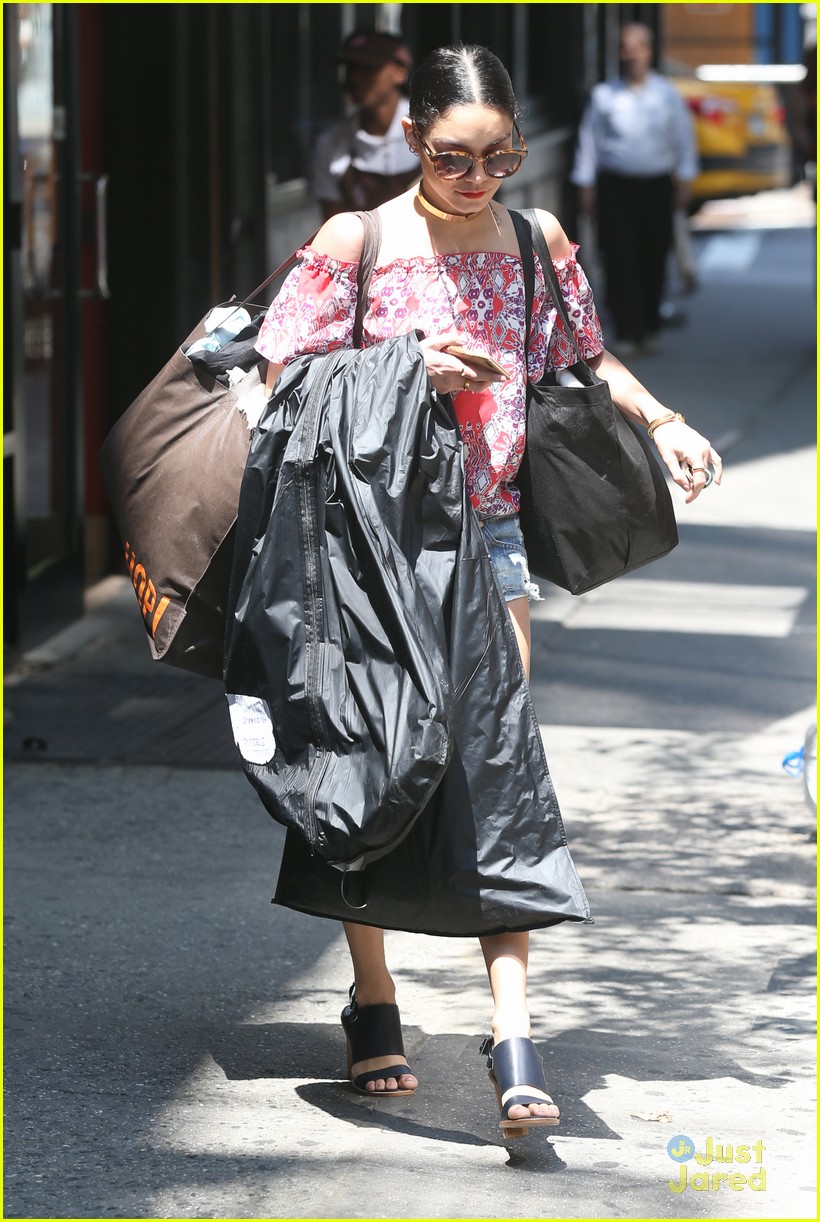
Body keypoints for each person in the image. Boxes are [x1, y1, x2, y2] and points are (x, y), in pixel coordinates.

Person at [255, 43, 722, 1138]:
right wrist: (408, 365)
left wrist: (664, 423)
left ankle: (512, 1028)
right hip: (366, 541)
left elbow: (582, 356)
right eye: (458, 157)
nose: (480, 180)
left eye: (500, 156)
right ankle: (373, 995)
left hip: (493, 530)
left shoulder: (534, 236)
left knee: (490, 760)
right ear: (413, 137)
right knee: (365, 754)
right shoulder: (354, 241)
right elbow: (281, 378)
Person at [571, 22, 698, 358]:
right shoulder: (604, 95)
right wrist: (585, 184)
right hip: (616, 186)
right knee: (619, 255)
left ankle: (650, 325)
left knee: (653, 254)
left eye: (637, 47)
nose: (631, 54)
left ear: (649, 51)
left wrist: (685, 180)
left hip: (656, 186)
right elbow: (589, 143)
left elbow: (684, 139)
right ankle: (628, 329)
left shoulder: (666, 94)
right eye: (625, 48)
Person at [311, 30, 420, 218]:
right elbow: (331, 228)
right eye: (351, 70)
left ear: (400, 73)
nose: (355, 79)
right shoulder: (330, 145)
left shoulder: (431, 133)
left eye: (369, 69)